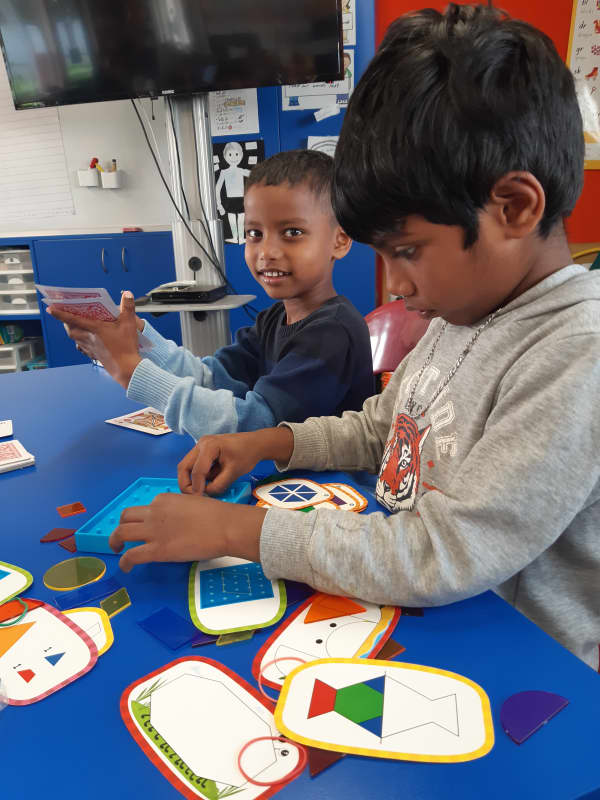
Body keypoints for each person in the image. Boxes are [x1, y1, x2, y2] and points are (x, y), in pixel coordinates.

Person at [108, 4, 600, 670]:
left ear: (514, 207)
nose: (394, 285)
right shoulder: (465, 312)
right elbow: (382, 430)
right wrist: (269, 442)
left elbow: (443, 553)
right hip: (425, 611)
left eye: (408, 250)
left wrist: (236, 529)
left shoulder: (577, 353)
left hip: (524, 665)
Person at [48, 149, 374, 441]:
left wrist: (131, 370)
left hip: (326, 493)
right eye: (254, 234)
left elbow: (257, 427)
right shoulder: (273, 318)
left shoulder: (333, 332)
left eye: (292, 233)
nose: (267, 251)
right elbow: (212, 377)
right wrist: (140, 338)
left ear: (340, 241)